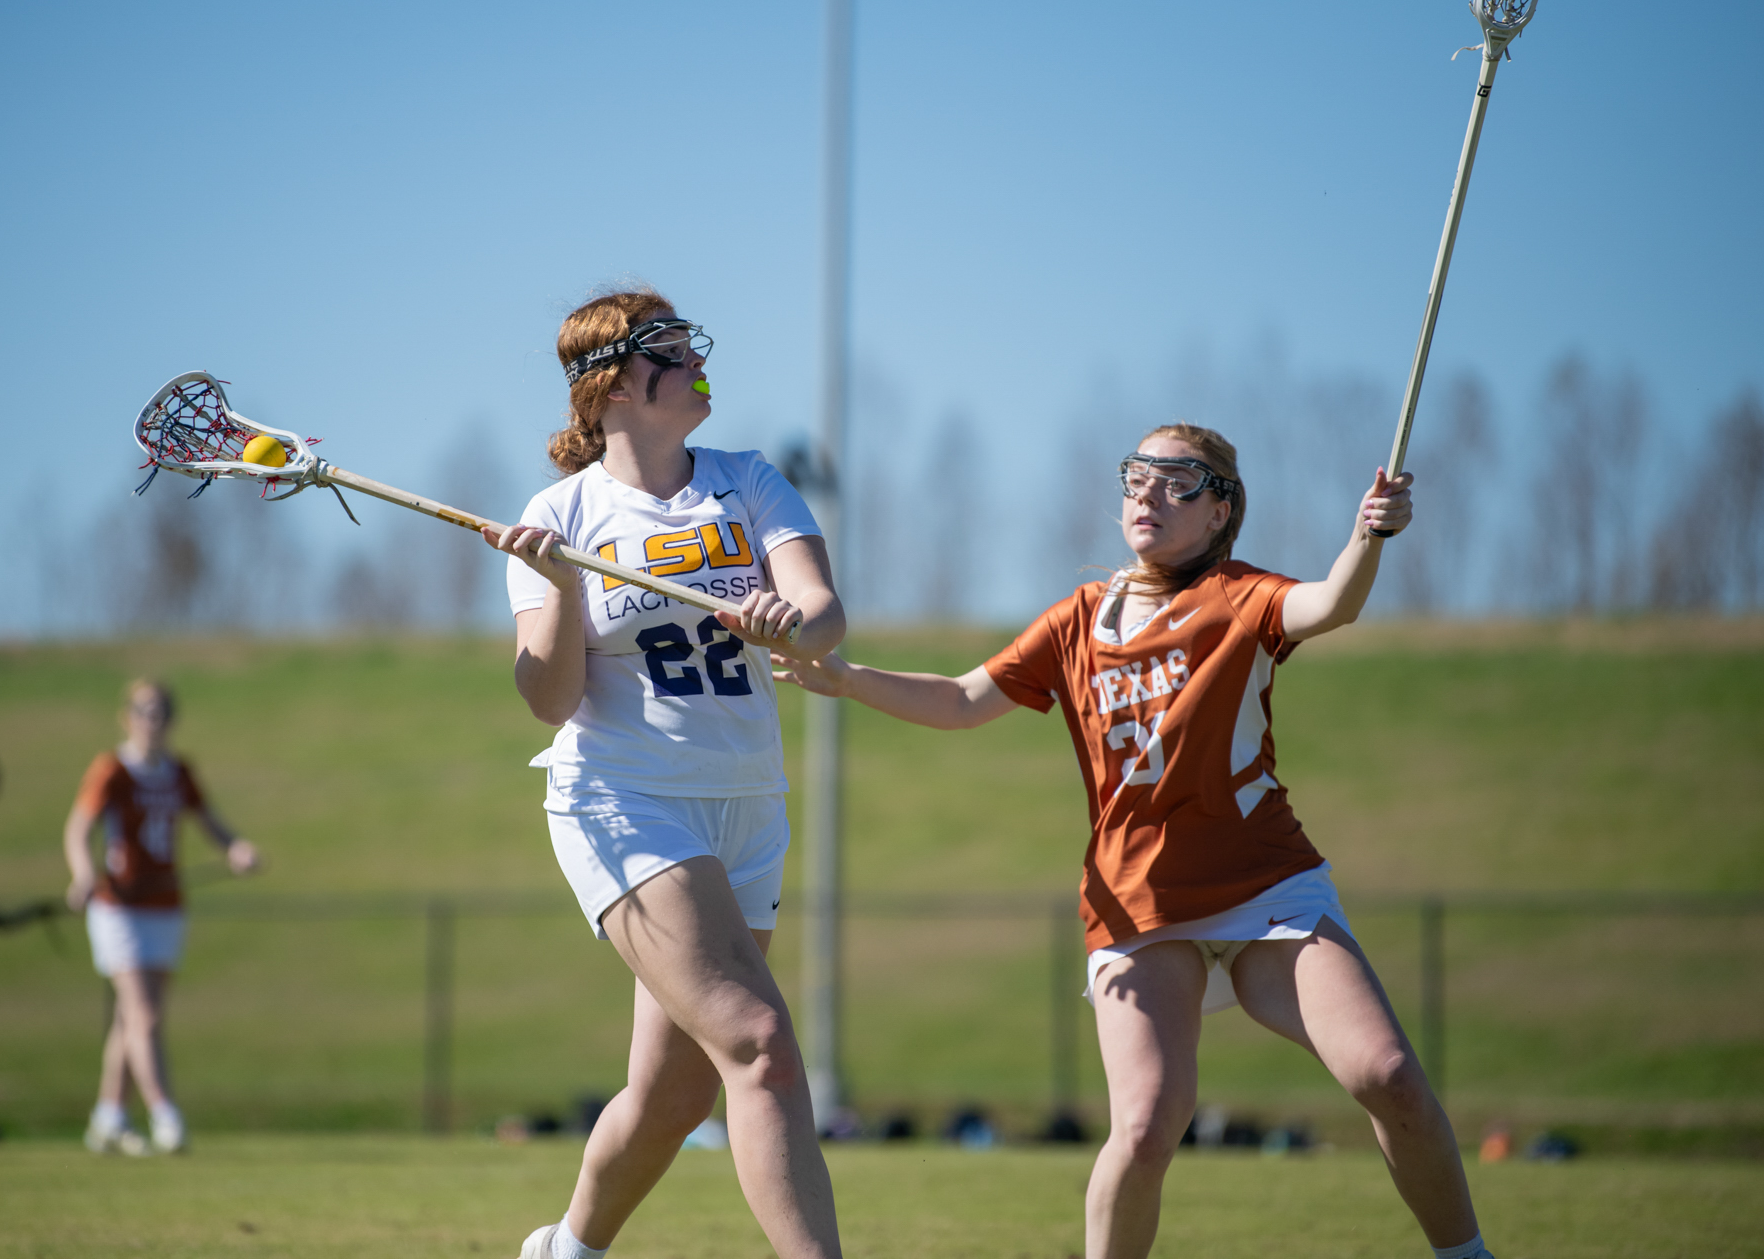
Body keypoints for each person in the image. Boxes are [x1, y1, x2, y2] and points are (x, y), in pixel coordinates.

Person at [774, 425, 1498, 1259]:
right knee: (1149, 1123)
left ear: (1222, 508)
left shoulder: (1243, 595)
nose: (1147, 493)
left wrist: (1369, 535)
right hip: (1138, 904)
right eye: (1136, 476)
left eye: (1177, 480)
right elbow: (964, 698)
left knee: (1389, 1075)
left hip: (1268, 889)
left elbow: (1334, 600)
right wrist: (845, 678)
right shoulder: (1080, 617)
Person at [496, 287, 847, 1259]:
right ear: (608, 385)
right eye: (673, 350)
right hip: (625, 800)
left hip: (746, 805)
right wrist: (562, 583)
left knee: (672, 1093)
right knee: (761, 1045)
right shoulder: (558, 514)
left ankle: (566, 1247)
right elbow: (548, 696)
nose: (698, 363)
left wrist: (793, 622)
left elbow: (821, 611)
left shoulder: (745, 480)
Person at [63, 677, 258, 1156]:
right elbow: (78, 829)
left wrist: (235, 848)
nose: (153, 720)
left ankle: (108, 1117)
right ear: (126, 716)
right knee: (144, 1016)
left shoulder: (179, 773)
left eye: (162, 711)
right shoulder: (112, 770)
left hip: (165, 908)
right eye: (145, 711)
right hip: (119, 908)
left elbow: (209, 820)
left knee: (132, 1023)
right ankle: (164, 1113)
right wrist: (84, 873)